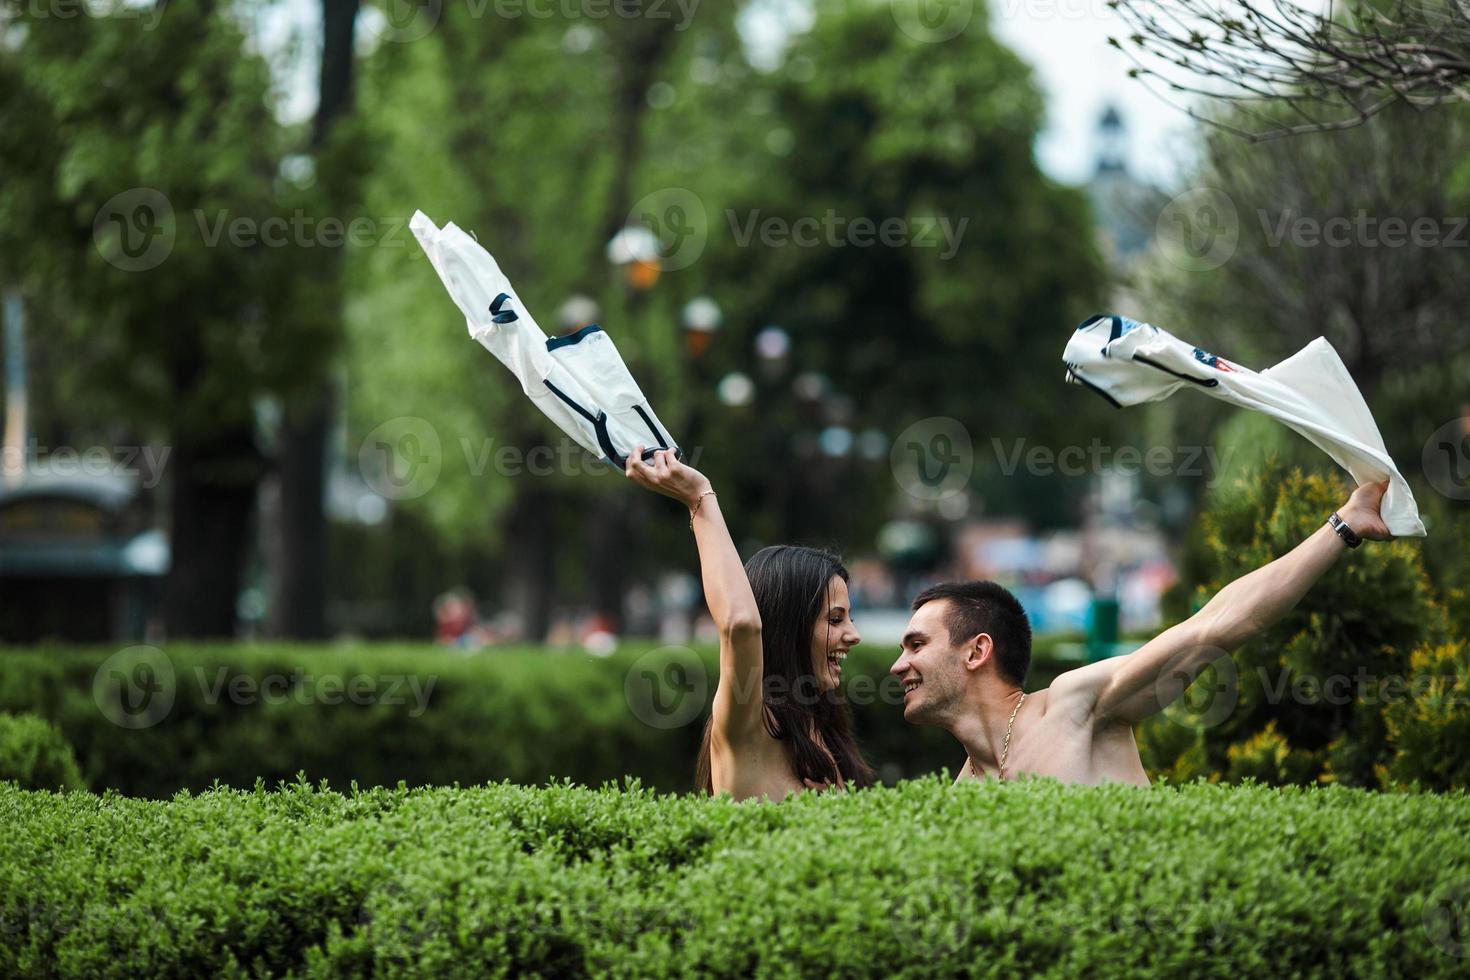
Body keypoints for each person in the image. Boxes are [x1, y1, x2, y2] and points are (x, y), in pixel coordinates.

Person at [890, 481, 1393, 786]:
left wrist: (1343, 525)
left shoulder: (1073, 706)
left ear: (978, 651)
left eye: (917, 644)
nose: (897, 665)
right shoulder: (965, 788)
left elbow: (1216, 626)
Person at [624, 448, 874, 800]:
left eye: (850, 618)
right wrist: (699, 498)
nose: (854, 635)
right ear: (789, 624)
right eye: (835, 619)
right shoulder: (751, 719)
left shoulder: (819, 723)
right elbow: (741, 623)